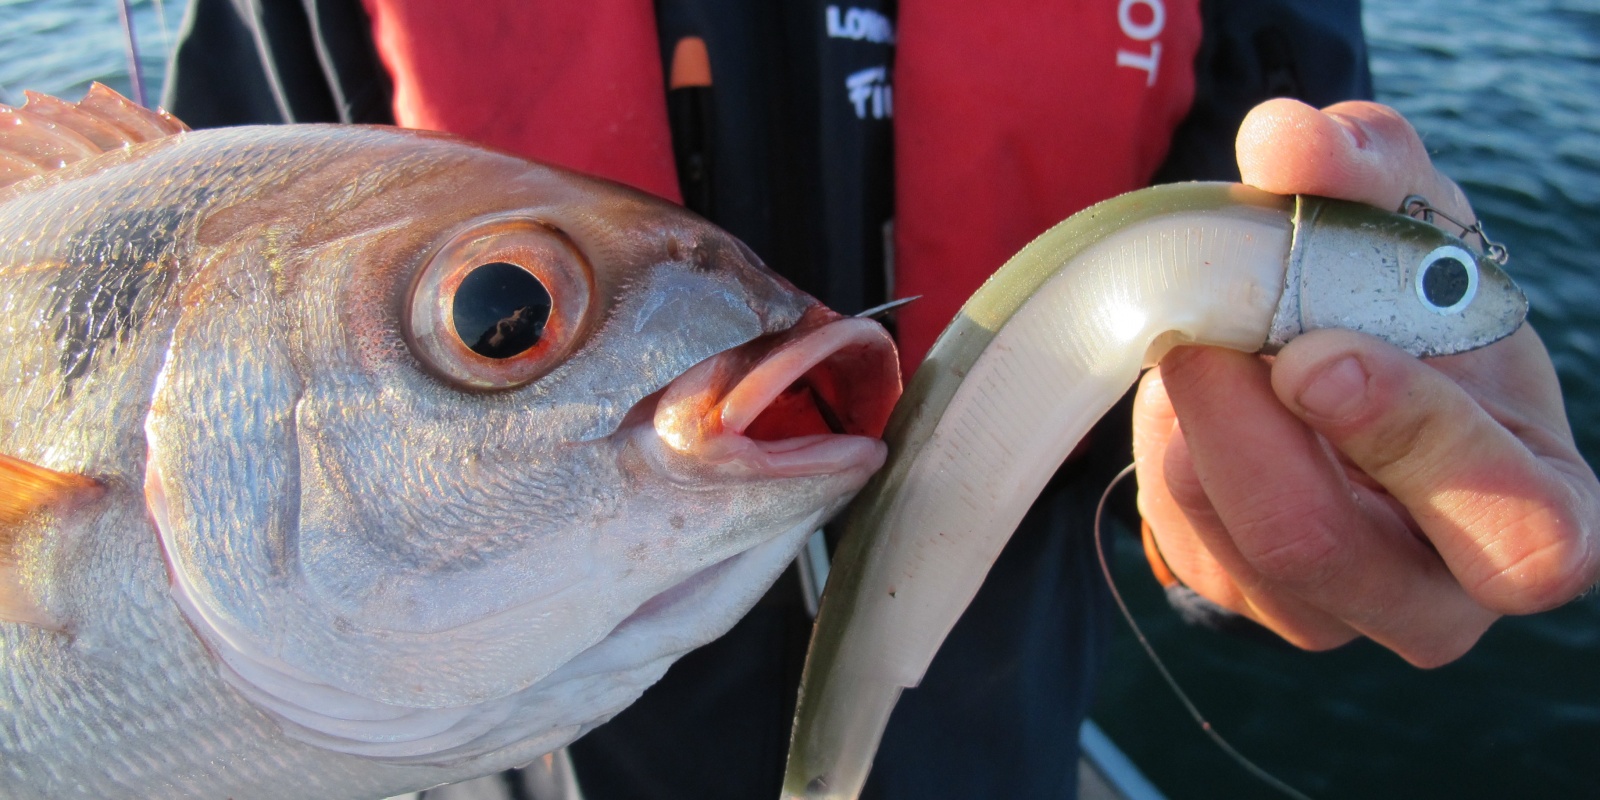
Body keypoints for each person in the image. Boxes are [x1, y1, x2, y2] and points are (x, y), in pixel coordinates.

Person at [163, 1, 1600, 798]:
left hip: (988, 746)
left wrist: (1282, 483)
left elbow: (1261, 251)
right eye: (501, 317)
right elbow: (196, 320)